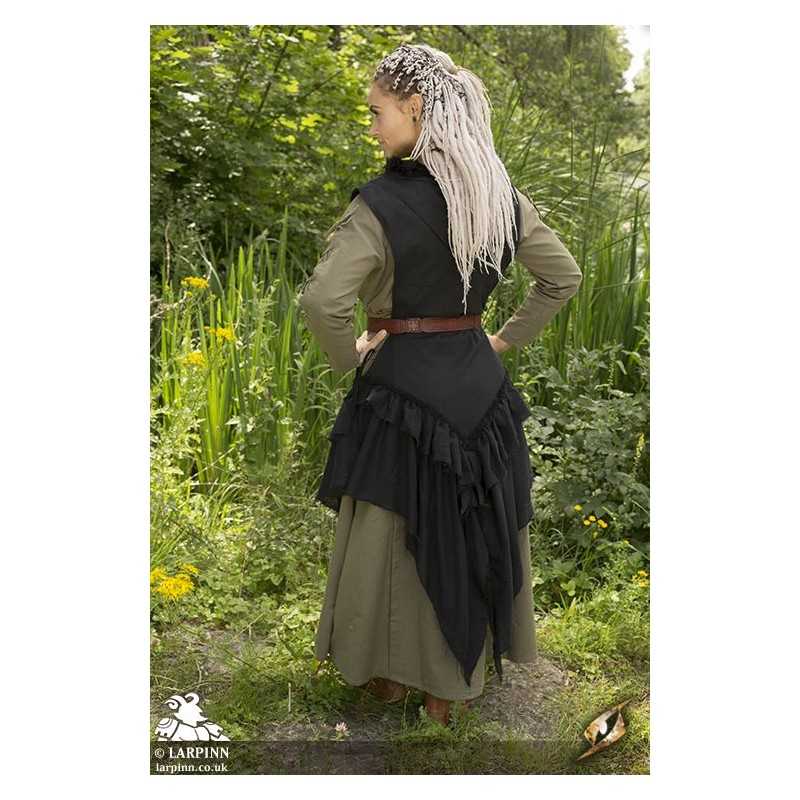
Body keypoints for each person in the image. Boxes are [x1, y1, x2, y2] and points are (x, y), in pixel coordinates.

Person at [299, 44, 582, 727]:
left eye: (377, 112)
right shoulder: (498, 196)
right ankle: (447, 687)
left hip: (399, 393)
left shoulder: (378, 205)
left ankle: (390, 676)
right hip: (479, 392)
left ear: (416, 107)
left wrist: (349, 356)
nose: (371, 126)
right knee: (470, 531)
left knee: (393, 534)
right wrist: (501, 340)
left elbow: (322, 302)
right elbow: (562, 277)